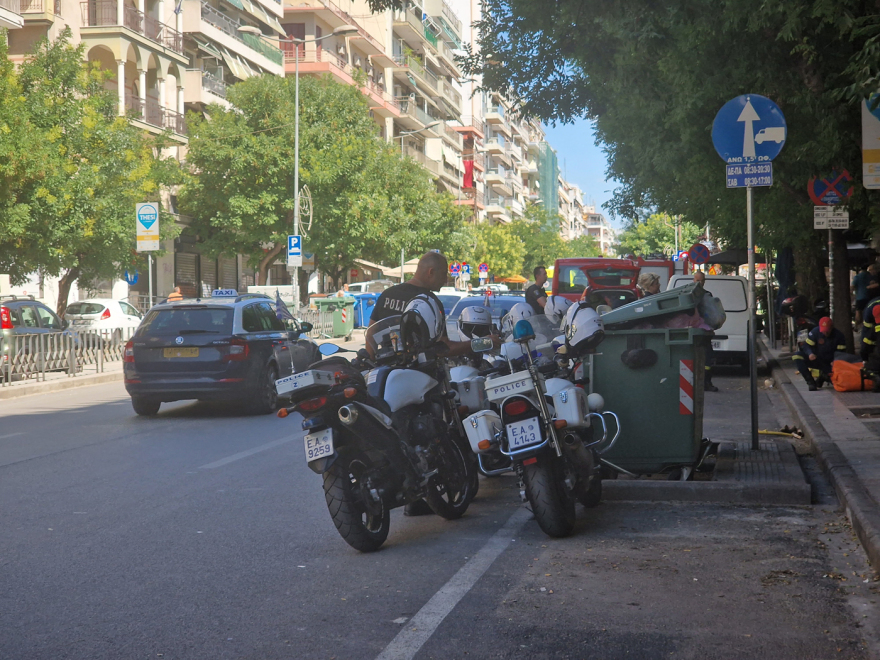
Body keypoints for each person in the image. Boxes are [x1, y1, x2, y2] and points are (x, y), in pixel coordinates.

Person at [370, 252, 499, 516]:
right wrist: (485, 343)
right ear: (431, 272)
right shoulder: (429, 301)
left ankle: (416, 498)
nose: (447, 279)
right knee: (434, 431)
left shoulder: (388, 295)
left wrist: (379, 361)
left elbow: (370, 336)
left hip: (388, 378)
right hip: (423, 377)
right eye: (444, 274)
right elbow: (444, 348)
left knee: (401, 430)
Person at [793, 316, 847, 391]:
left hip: (830, 363)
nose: (825, 332)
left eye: (827, 330)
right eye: (823, 330)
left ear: (832, 327)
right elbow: (806, 346)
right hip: (817, 359)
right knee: (797, 356)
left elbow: (841, 352)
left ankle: (823, 376)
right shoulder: (815, 332)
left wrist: (835, 361)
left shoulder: (839, 336)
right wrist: (810, 353)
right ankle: (811, 382)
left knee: (838, 382)